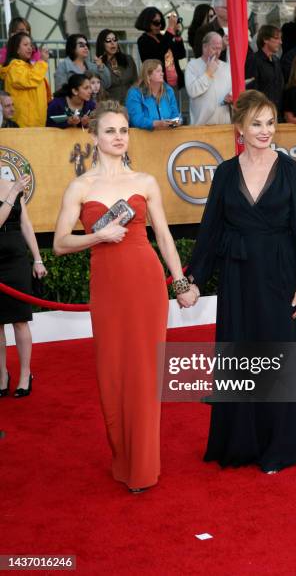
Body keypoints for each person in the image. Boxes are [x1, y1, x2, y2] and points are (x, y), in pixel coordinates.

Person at [53, 100, 198, 493]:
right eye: (110, 131)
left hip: (146, 281)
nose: (118, 137)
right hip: (108, 284)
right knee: (112, 372)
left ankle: (144, 468)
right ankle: (123, 456)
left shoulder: (146, 182)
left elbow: (164, 237)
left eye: (123, 131)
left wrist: (180, 284)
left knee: (145, 373)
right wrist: (97, 236)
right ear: (95, 137)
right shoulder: (81, 187)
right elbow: (60, 243)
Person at [186, 89, 296, 473]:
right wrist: (194, 279)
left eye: (271, 122)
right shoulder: (226, 172)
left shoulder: (291, 171)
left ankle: (282, 446)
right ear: (239, 128)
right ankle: (241, 444)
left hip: (279, 275)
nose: (266, 130)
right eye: (257, 123)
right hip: (238, 276)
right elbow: (210, 229)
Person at [0, 174, 47, 399]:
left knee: (20, 320)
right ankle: (2, 376)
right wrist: (12, 193)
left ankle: (25, 375)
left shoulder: (13, 187)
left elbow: (26, 225)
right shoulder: (14, 189)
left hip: (17, 260)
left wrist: (37, 258)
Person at [0, 32, 51, 127]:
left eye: (31, 45)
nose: (30, 48)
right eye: (25, 45)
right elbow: (29, 80)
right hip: (23, 125)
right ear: (16, 49)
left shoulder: (32, 67)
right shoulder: (14, 67)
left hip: (38, 123)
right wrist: (42, 61)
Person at [185, 32, 232, 125]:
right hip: (201, 126)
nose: (217, 52)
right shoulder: (192, 65)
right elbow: (192, 91)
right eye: (214, 48)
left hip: (224, 125)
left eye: (219, 48)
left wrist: (231, 97)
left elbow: (232, 91)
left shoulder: (226, 67)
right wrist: (208, 73)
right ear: (205, 47)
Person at [135, 7, 186, 89]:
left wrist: (177, 36)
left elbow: (181, 54)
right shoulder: (143, 40)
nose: (159, 25)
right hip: (157, 85)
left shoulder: (163, 38)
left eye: (161, 22)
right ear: (147, 22)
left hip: (174, 84)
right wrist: (170, 30)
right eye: (156, 23)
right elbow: (159, 54)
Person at [125, 59, 181, 130]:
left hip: (168, 136)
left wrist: (176, 122)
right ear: (148, 75)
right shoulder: (135, 93)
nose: (162, 73)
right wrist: (156, 123)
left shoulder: (169, 91)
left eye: (162, 71)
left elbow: (176, 115)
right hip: (142, 138)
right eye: (158, 71)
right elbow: (136, 119)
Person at [95, 29, 137, 104]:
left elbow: (136, 82)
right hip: (111, 107)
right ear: (102, 44)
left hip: (131, 103)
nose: (112, 43)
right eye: (108, 40)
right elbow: (99, 89)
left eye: (115, 40)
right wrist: (100, 68)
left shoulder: (128, 59)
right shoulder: (98, 64)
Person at [251, 25, 284, 117]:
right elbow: (253, 89)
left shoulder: (276, 60)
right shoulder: (254, 60)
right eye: (276, 38)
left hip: (277, 112)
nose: (280, 42)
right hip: (260, 113)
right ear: (265, 39)